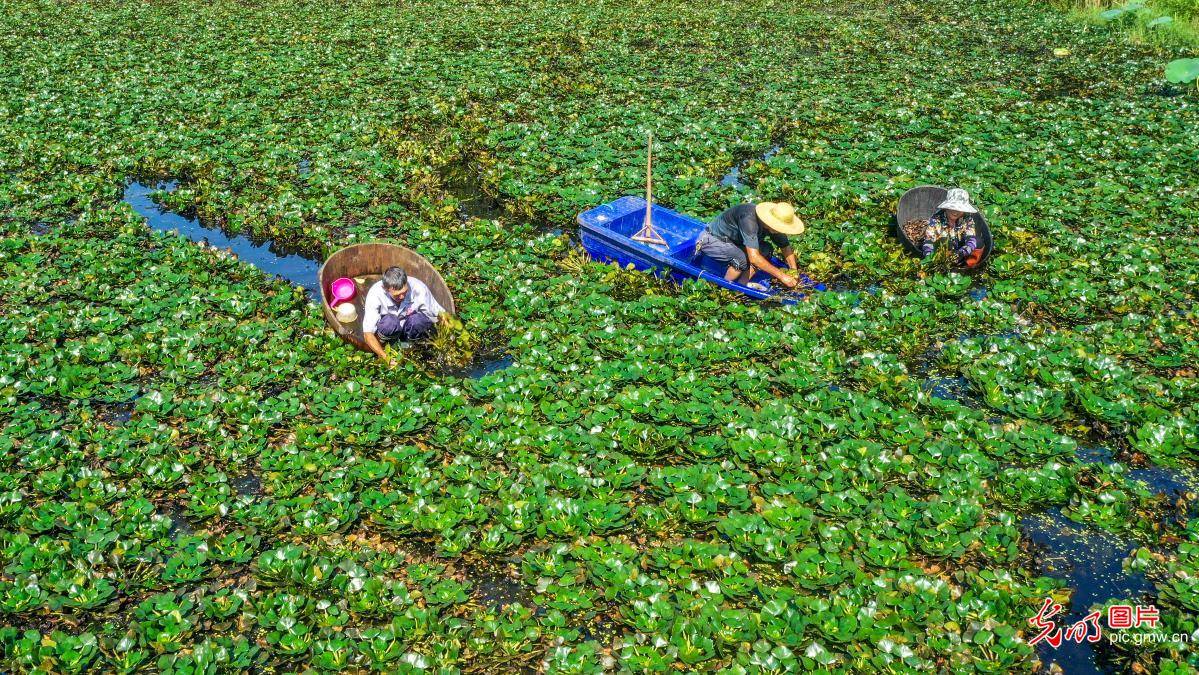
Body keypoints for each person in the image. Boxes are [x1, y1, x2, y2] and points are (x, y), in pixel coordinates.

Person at [694, 201, 806, 289]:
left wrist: (793, 271)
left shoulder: (774, 227)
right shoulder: (749, 219)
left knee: (766, 249)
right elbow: (754, 258)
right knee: (741, 259)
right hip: (713, 240)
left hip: (736, 242)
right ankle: (724, 287)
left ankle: (742, 284)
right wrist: (782, 276)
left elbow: (785, 246)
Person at [362, 266, 446, 364]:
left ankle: (410, 347)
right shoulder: (375, 294)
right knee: (390, 323)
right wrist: (385, 357)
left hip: (410, 328)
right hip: (390, 329)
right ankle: (387, 346)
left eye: (405, 292)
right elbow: (367, 334)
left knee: (418, 321)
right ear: (385, 289)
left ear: (407, 283)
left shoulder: (418, 288)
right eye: (397, 295)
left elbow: (441, 315)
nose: (402, 297)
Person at [921, 188, 984, 267]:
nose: (955, 212)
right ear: (946, 207)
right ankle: (944, 266)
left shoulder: (967, 218)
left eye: (959, 209)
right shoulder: (936, 220)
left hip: (961, 251)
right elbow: (928, 241)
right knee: (945, 241)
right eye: (952, 208)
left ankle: (966, 266)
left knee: (978, 241)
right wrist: (929, 258)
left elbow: (971, 238)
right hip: (942, 252)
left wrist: (961, 253)